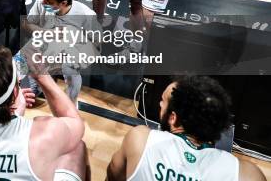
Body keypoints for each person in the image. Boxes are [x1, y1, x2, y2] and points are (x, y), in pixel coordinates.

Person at [0, 47, 89, 181]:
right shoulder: (45, 134)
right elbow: (74, 122)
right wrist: (42, 77)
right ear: (15, 92)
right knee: (78, 147)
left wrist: (17, 111)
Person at [107, 76, 266, 181]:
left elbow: (112, 177)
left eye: (163, 101)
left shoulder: (140, 139)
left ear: (173, 117)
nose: (160, 104)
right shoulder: (247, 174)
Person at [16, 0, 96, 102]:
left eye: (48, 1)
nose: (43, 2)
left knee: (69, 69)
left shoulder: (87, 16)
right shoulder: (41, 0)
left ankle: (71, 103)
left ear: (63, 3)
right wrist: (48, 33)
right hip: (43, 45)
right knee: (17, 72)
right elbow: (27, 24)